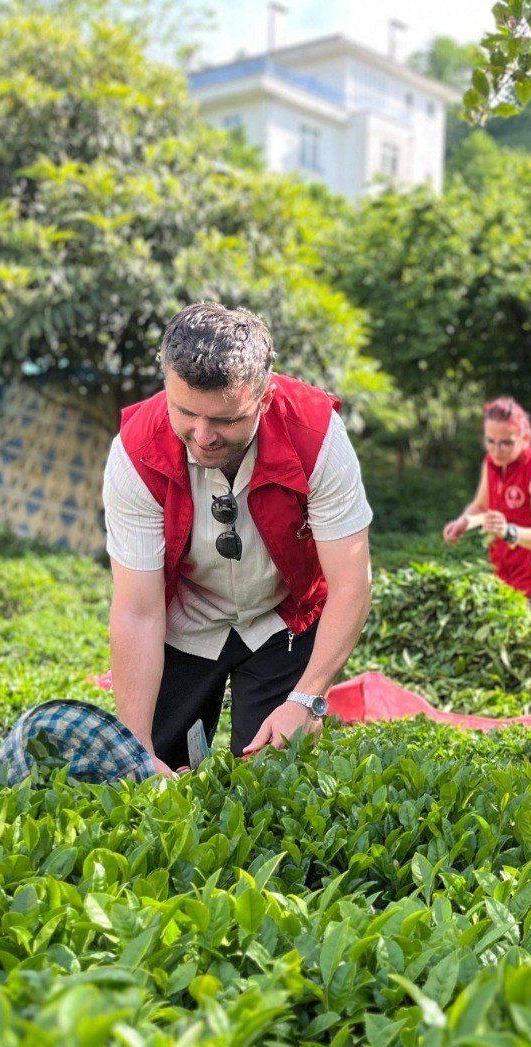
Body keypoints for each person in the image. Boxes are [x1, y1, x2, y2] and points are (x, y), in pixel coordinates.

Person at [102, 302, 373, 773]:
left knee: (272, 779)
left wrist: (309, 699)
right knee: (154, 772)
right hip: (183, 621)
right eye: (185, 412)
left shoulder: (316, 433)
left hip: (280, 620)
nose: (202, 436)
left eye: (225, 421)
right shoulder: (135, 452)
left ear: (263, 399)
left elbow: (352, 582)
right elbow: (137, 610)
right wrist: (137, 748)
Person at [442, 397, 531, 617]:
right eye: (490, 441)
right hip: (504, 575)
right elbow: (482, 506)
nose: (497, 450)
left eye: (506, 443)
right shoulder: (491, 462)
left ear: (525, 438)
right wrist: (464, 521)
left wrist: (507, 531)